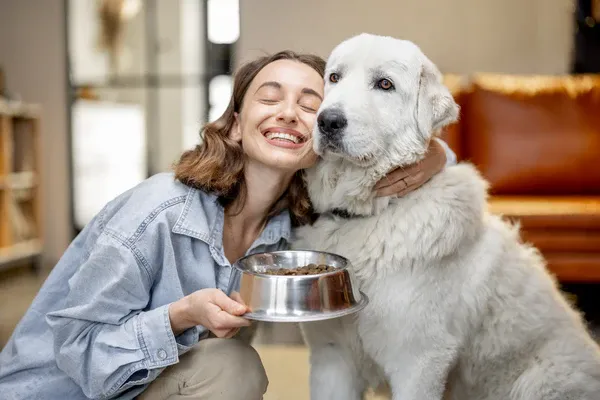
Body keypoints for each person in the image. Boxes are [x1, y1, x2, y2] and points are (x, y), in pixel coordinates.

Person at [0, 50, 456, 400]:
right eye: (270, 97)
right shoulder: (158, 212)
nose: (288, 112)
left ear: (324, 136)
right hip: (57, 390)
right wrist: (181, 315)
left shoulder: (296, 227)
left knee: (227, 367)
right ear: (236, 125)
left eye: (310, 104)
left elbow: (385, 163)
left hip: (144, 386)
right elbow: (78, 347)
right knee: (232, 367)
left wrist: (437, 153)